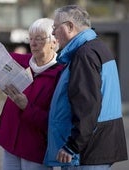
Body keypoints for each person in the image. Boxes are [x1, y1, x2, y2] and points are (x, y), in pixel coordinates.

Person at [0, 18, 63, 170]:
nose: (33, 43)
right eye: (30, 38)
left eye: (39, 39)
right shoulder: (22, 61)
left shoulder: (60, 75)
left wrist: (26, 106)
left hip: (36, 148)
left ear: (54, 42)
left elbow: (57, 121)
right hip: (10, 142)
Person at [44, 5, 128, 170]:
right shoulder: (97, 47)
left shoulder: (84, 54)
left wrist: (72, 145)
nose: (53, 33)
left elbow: (87, 105)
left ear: (69, 27)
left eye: (55, 27)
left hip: (87, 151)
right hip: (98, 145)